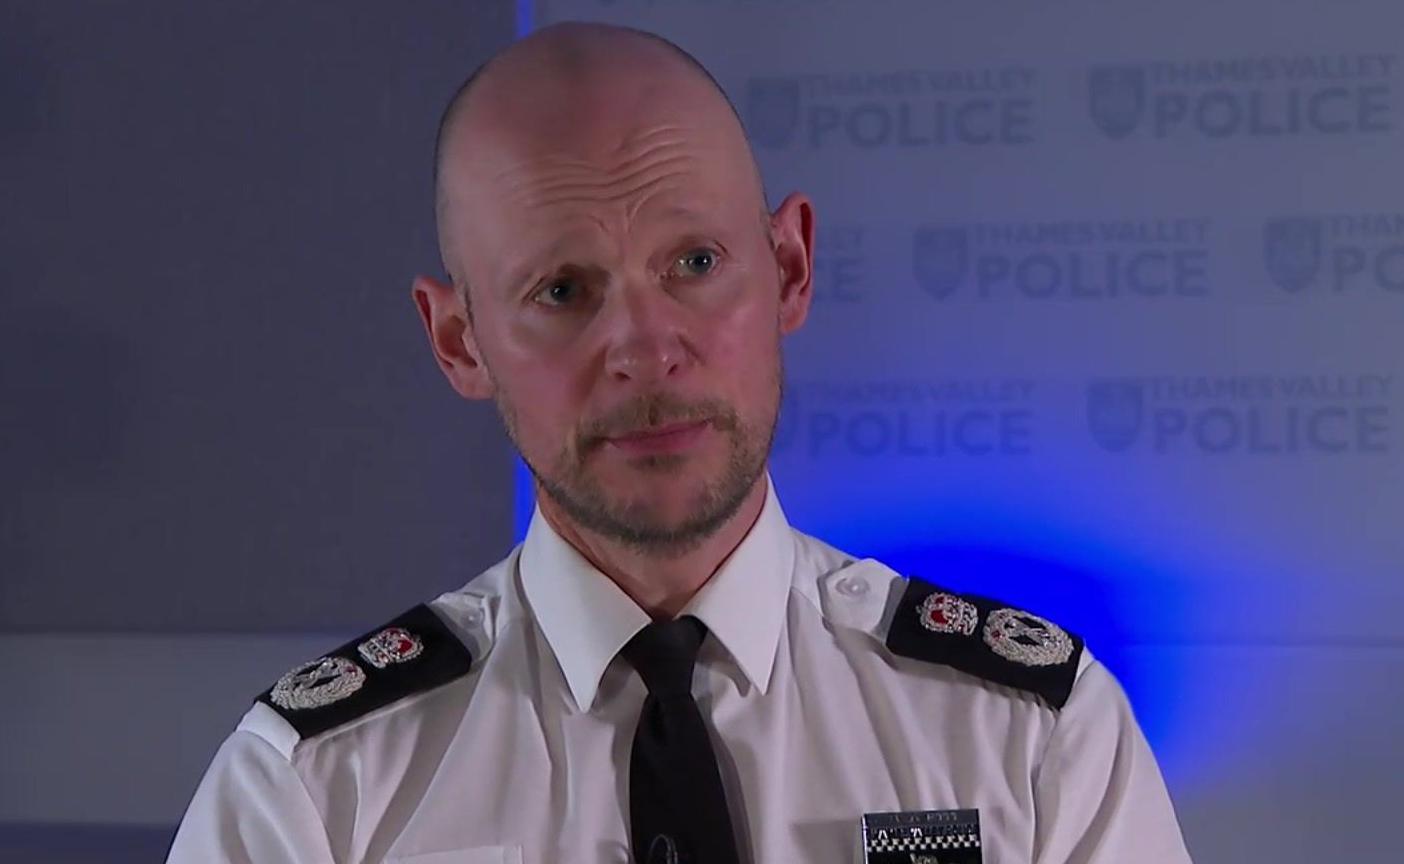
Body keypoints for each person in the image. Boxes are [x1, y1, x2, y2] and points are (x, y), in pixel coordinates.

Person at [166, 21, 1192, 864]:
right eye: (562, 291)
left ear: (789, 267)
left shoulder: (1031, 738)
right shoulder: (313, 798)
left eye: (695, 261)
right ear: (457, 339)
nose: (646, 349)